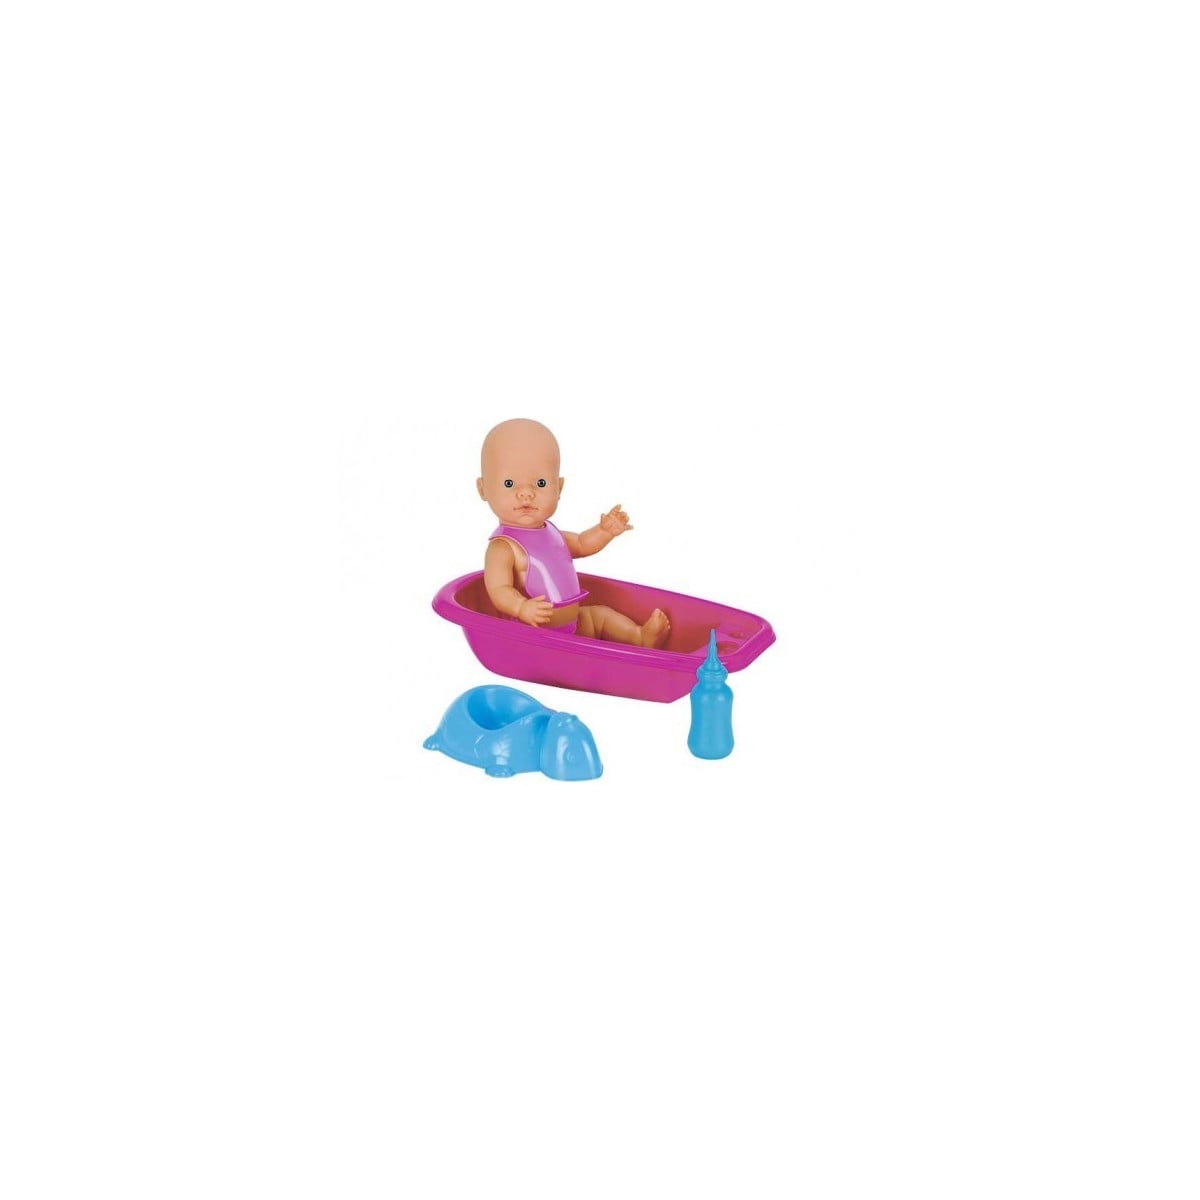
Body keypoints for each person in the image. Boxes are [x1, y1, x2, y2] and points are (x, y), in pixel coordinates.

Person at [477, 418, 670, 647]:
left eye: (540, 483)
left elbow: (581, 543)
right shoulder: (503, 547)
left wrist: (604, 531)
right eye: (509, 483)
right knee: (593, 621)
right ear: (483, 489)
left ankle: (639, 636)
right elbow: (499, 589)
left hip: (575, 623)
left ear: (558, 488)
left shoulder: (551, 533)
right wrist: (521, 607)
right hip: (535, 634)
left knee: (601, 616)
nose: (526, 493)